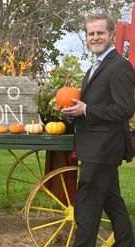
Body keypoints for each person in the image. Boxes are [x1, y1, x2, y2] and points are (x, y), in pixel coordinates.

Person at [61, 13, 135, 246]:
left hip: (102, 150)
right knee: (113, 204)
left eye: (100, 32)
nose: (95, 37)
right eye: (91, 33)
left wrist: (86, 110)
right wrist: (75, 113)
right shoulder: (96, 66)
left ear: (111, 34)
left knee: (87, 209)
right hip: (96, 148)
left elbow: (125, 109)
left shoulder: (119, 66)